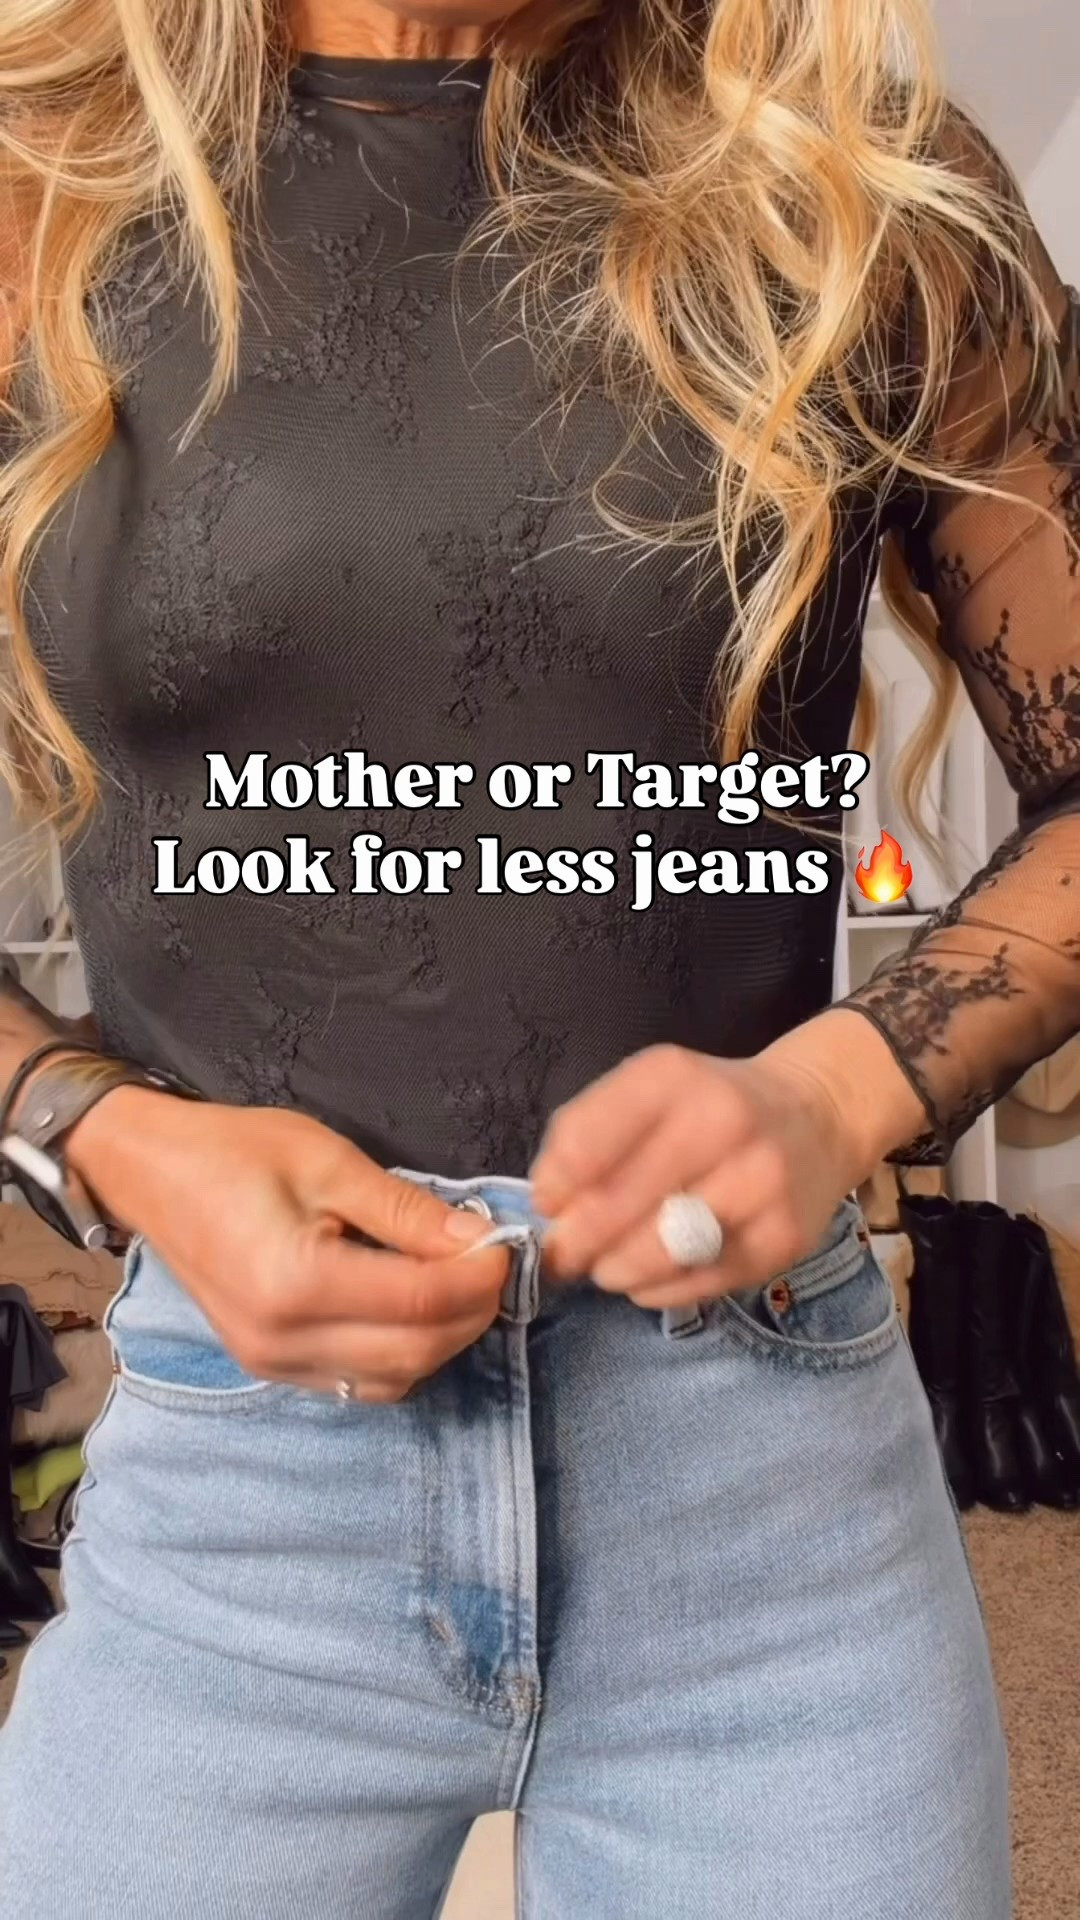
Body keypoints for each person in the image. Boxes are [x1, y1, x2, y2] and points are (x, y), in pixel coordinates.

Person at [0, 0, 1076, 1912]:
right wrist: (109, 1134)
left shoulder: (855, 185)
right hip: (238, 1495)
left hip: (763, 1485)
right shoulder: (34, 178)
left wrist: (841, 1090)